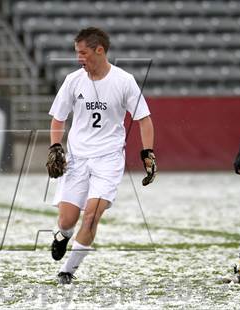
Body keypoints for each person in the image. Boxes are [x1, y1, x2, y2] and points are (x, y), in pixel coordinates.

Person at [46, 27, 157, 284]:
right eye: (76, 53)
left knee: (92, 215)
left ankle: (68, 271)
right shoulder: (74, 80)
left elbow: (144, 119)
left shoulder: (124, 81)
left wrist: (148, 153)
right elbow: (58, 118)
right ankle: (62, 235)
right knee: (67, 220)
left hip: (108, 159)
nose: (79, 58)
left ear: (100, 50)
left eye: (83, 53)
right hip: (77, 158)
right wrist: (55, 148)